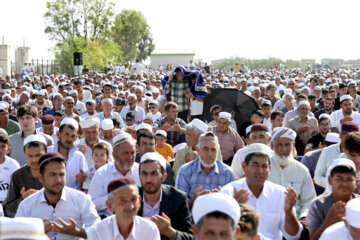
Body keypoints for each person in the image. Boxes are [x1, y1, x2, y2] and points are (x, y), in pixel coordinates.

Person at [220, 143, 303, 240]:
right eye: (255, 165)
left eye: (264, 166)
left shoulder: (280, 194)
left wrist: (289, 213)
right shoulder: (228, 193)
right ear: (244, 166)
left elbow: (293, 235)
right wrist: (233, 209)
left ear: (270, 169)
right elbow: (219, 232)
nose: (260, 171)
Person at [16, 152, 100, 240]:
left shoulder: (82, 199)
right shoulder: (26, 205)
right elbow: (15, 235)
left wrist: (77, 232)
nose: (58, 180)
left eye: (61, 174)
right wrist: (34, 235)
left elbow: (98, 230)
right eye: (52, 175)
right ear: (41, 177)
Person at [137, 152, 193, 240]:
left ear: (164, 177)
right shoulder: (130, 197)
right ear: (139, 176)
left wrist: (169, 231)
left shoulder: (178, 198)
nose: (148, 179)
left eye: (154, 174)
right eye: (144, 174)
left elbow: (190, 237)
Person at [87, 177, 161, 240]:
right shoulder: (96, 233)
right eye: (123, 201)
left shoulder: (149, 229)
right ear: (110, 205)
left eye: (133, 199)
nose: (130, 206)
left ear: (139, 201)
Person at [175, 131, 234, 208]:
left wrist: (222, 199)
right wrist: (195, 200)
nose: (210, 154)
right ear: (198, 150)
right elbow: (178, 206)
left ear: (217, 151)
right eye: (205, 149)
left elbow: (233, 207)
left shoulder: (227, 173)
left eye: (213, 150)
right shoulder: (185, 171)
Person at [268, 127, 316, 219]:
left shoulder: (301, 170)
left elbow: (309, 200)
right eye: (279, 145)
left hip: (295, 220)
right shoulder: (263, 168)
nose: (284, 149)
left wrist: (304, 217)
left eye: (287, 145)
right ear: (272, 145)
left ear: (293, 145)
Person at [88, 132, 140, 218]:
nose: (130, 157)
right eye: (125, 153)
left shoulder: (141, 171)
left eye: (132, 153)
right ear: (114, 155)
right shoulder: (101, 174)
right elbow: (91, 204)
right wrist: (113, 197)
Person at [306, 159, 360, 240]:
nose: (344, 183)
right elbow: (313, 238)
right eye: (339, 179)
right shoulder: (318, 205)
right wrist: (329, 221)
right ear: (330, 180)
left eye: (349, 179)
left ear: (355, 182)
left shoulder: (358, 203)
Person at [5, 135, 47, 216]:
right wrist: (23, 199)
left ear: (46, 153)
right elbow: (9, 208)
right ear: (25, 154)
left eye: (38, 155)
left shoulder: (54, 173)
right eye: (30, 156)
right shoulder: (17, 176)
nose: (34, 160)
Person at [314, 121, 359, 188]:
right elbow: (317, 177)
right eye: (347, 137)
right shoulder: (327, 151)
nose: (350, 141)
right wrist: (335, 182)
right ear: (340, 136)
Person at [48, 118, 88, 190]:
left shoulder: (79, 156)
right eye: (66, 134)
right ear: (58, 134)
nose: (69, 139)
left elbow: (84, 186)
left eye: (73, 136)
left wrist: (82, 182)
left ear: (76, 137)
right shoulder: (47, 152)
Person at [0, 133, 19, 207]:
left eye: (3, 147)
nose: (0, 150)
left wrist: (2, 205)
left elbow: (16, 190)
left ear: (8, 149)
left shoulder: (14, 165)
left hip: (9, 203)